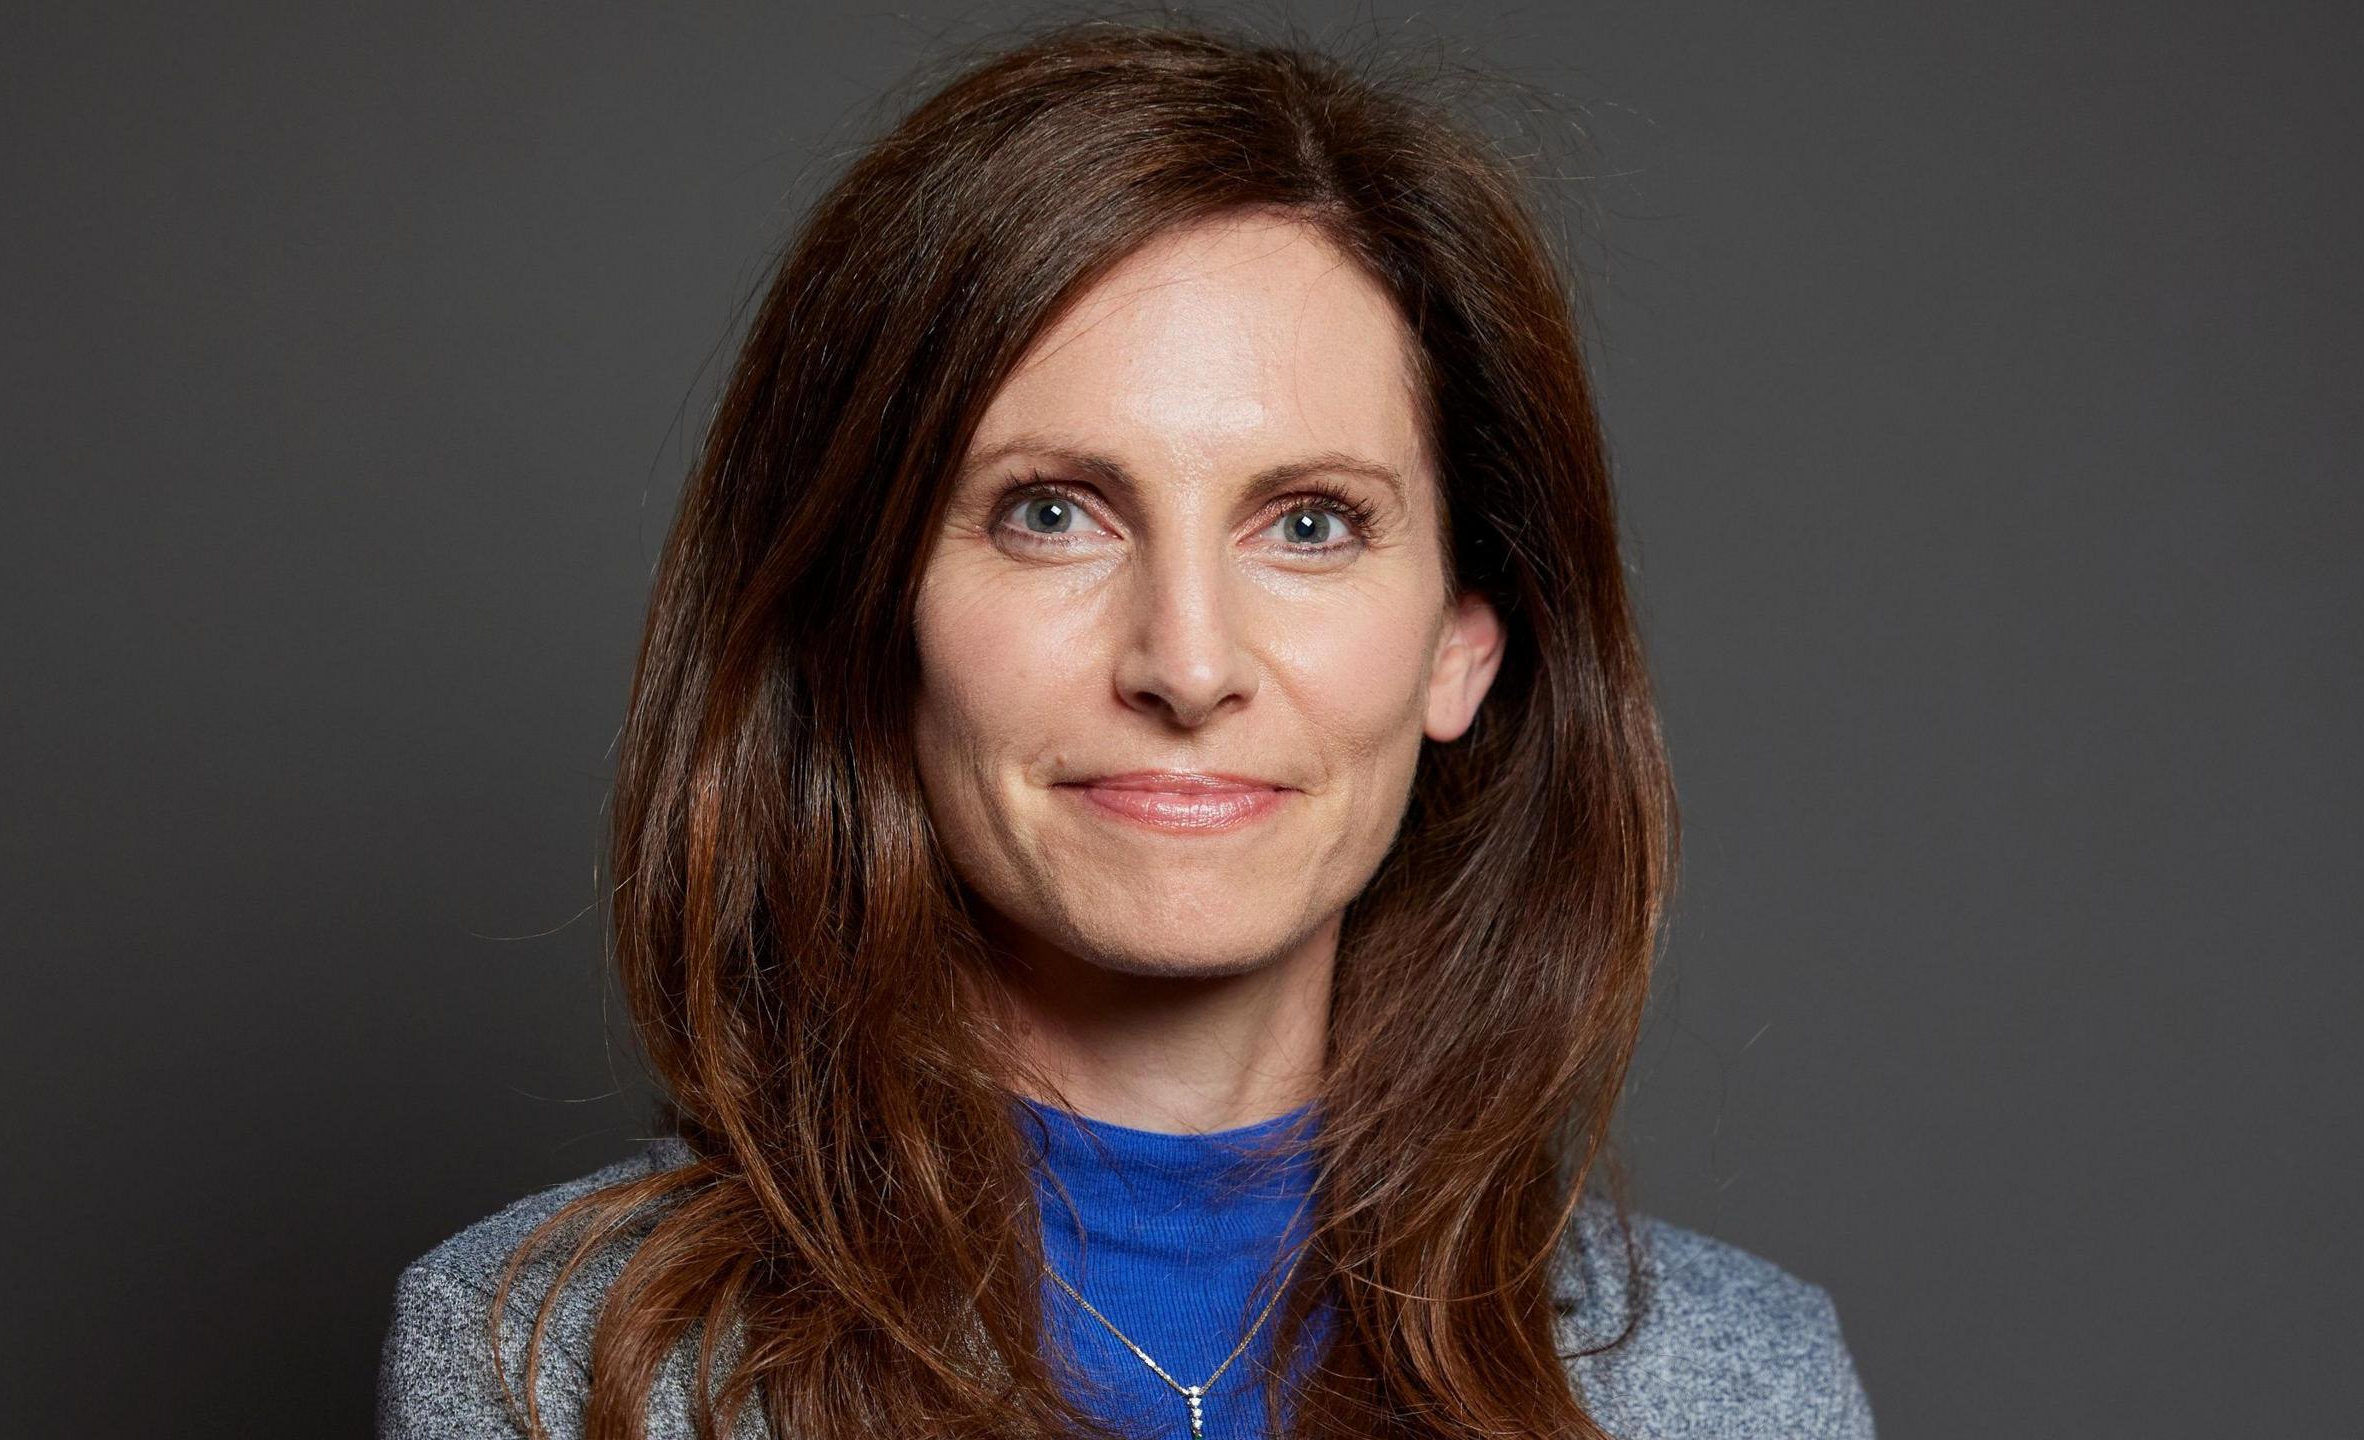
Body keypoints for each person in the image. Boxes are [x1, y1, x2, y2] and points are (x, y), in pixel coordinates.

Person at [378, 17, 1876, 1440]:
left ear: (1459, 648)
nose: (1188, 660)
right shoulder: (558, 1363)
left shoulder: (1736, 1384)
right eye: (1050, 513)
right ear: (866, 617)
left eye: (1309, 522)